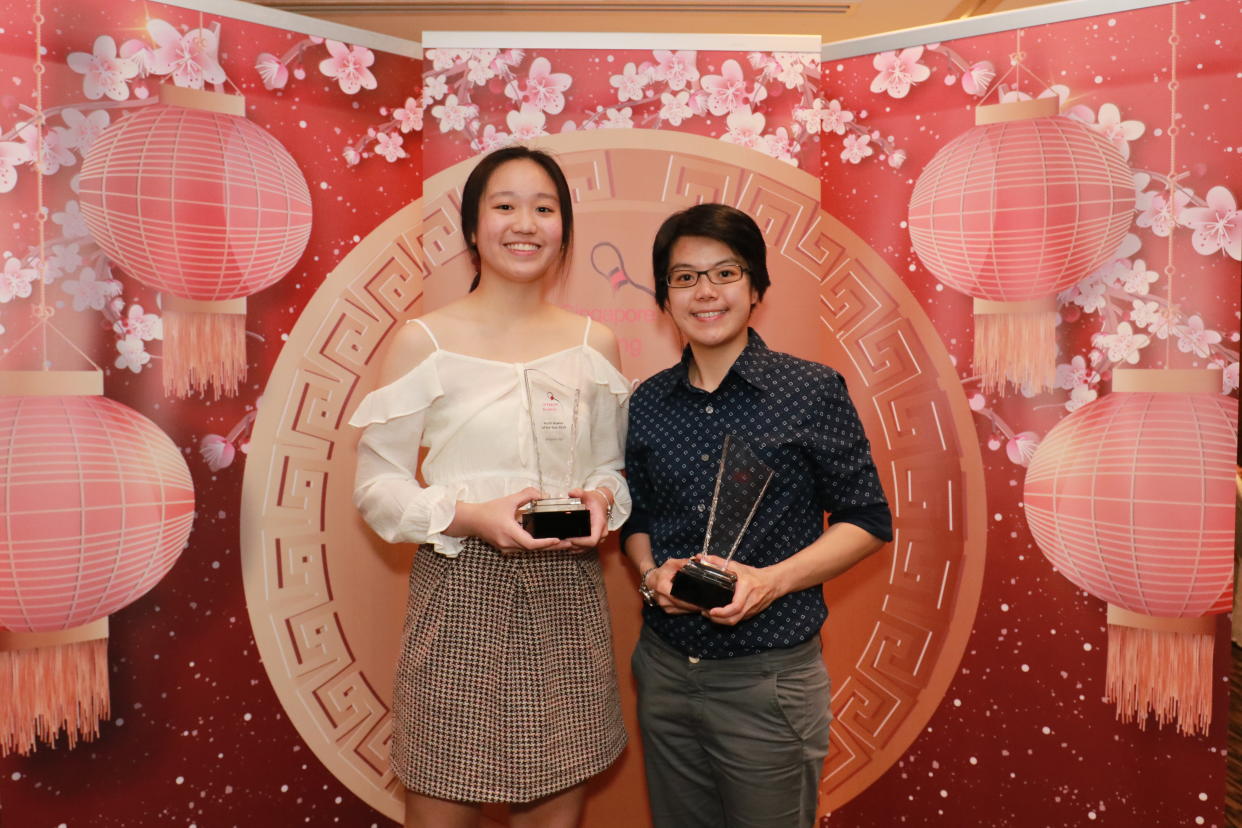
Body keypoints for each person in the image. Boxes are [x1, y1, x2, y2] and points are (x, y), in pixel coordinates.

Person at [349, 146, 631, 828]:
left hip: (566, 592)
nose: (524, 223)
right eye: (504, 206)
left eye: (544, 208)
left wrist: (598, 499)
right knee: (441, 797)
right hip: (458, 594)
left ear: (564, 227)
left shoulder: (596, 341)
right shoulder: (424, 341)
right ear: (473, 227)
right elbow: (376, 483)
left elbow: (609, 468)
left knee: (555, 807)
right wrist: (471, 516)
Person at [621, 203, 893, 828]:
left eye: (725, 272)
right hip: (665, 671)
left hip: (767, 681)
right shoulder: (649, 402)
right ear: (665, 297)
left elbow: (867, 520)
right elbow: (636, 518)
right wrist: (650, 574)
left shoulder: (811, 389)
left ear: (756, 288)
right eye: (684, 277)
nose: (705, 292)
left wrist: (771, 582)